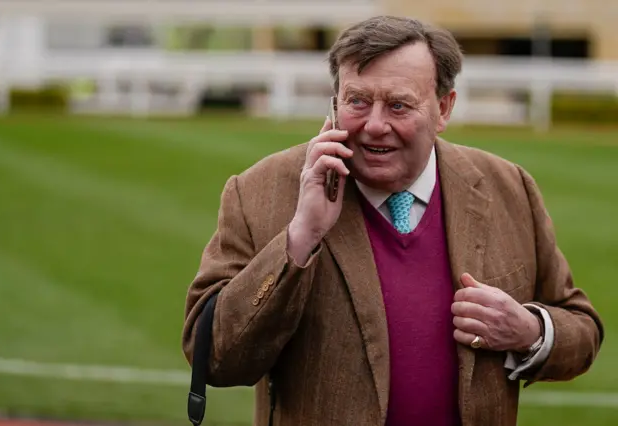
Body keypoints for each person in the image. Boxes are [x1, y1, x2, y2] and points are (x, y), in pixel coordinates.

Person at [182, 15, 603, 426]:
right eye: (358, 101)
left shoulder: (508, 187)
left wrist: (529, 330)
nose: (375, 125)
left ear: (443, 109)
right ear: (334, 101)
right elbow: (216, 358)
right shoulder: (262, 190)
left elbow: (581, 328)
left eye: (399, 105)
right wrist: (300, 237)